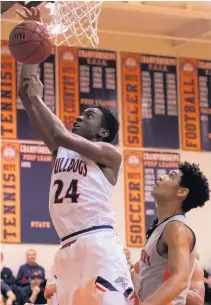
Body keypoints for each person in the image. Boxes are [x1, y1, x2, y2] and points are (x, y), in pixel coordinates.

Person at [17, 7, 134, 305]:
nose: (79, 118)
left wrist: (35, 95)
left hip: (97, 242)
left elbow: (56, 132)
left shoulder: (109, 154)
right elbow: (26, 93)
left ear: (104, 132)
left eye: (89, 115)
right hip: (66, 247)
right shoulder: (63, 149)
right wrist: (31, 47)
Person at [134, 162, 210, 305]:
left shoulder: (177, 227)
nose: (162, 177)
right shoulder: (162, 227)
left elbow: (180, 279)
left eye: (171, 176)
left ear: (182, 191)